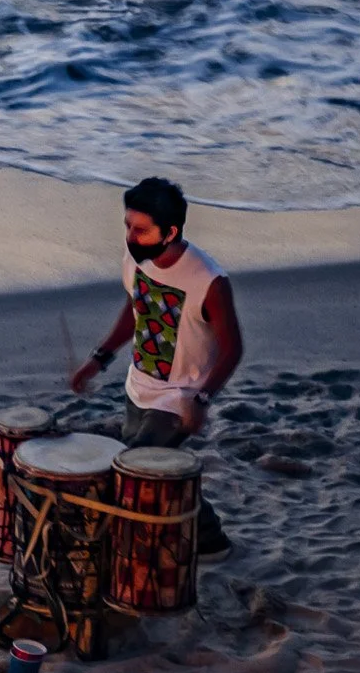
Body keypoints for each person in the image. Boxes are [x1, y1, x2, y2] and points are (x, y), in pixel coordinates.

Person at [69, 176, 242, 558]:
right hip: (139, 387)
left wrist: (200, 398)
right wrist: (99, 359)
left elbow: (232, 349)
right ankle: (210, 539)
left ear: (171, 232)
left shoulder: (209, 281)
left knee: (135, 472)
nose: (131, 236)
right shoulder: (137, 257)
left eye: (141, 230)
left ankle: (145, 549)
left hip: (179, 398)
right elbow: (137, 309)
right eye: (128, 226)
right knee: (159, 475)